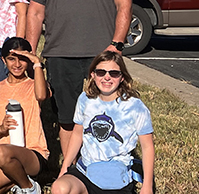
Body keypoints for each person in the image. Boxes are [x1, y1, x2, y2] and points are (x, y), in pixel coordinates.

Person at [24, 0, 136, 161]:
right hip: (60, 53)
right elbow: (35, 12)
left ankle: (109, 165)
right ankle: (72, 166)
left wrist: (116, 45)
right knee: (67, 117)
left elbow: (124, 4)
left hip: (102, 54)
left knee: (109, 112)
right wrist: (31, 53)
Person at [51, 51, 154, 194]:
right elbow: (77, 133)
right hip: (86, 171)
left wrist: (147, 186)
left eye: (114, 73)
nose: (107, 77)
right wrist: (65, 167)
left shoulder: (135, 106)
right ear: (92, 75)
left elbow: (147, 147)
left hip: (116, 177)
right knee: (60, 188)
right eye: (101, 72)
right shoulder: (85, 99)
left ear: (122, 77)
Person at [0, 37, 50, 194]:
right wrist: (0, 129)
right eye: (11, 59)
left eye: (23, 59)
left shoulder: (35, 85)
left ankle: (30, 188)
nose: (17, 64)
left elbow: (41, 96)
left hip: (32, 153)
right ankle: (17, 182)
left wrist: (37, 63)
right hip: (4, 159)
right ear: (3, 60)